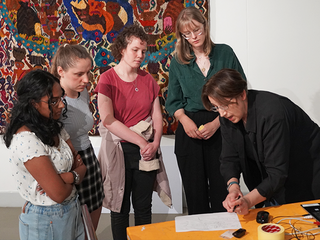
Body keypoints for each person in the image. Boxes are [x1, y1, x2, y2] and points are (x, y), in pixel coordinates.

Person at [201, 68, 320, 215]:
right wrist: (233, 188)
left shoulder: (273, 113)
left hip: (308, 175)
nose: (222, 113)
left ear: (242, 94)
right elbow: (229, 158)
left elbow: (277, 172)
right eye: (216, 107)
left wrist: (248, 201)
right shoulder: (226, 117)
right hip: (276, 182)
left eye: (224, 105)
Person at [165, 6, 246, 214]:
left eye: (197, 30)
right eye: (187, 33)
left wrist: (217, 122)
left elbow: (240, 88)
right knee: (195, 195)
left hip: (223, 124)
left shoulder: (225, 53)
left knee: (223, 191)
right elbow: (173, 102)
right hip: (190, 129)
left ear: (205, 26)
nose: (194, 37)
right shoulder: (178, 61)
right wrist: (184, 120)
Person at [95, 24, 172, 240]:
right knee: (119, 208)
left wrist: (155, 144)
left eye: (143, 51)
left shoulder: (148, 79)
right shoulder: (107, 79)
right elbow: (108, 119)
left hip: (146, 149)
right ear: (122, 49)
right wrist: (141, 142)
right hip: (120, 150)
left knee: (143, 207)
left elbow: (157, 116)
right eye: (135, 50)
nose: (140, 55)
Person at [3, 69, 87, 240]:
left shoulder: (54, 126)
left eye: (60, 99)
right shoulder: (26, 140)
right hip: (46, 218)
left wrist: (65, 177)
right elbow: (59, 193)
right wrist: (74, 176)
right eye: (54, 101)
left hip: (72, 209)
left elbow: (81, 164)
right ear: (34, 103)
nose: (62, 105)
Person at [50, 44, 104, 230]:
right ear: (61, 71)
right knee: (67, 224)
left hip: (88, 157)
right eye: (79, 74)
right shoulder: (51, 101)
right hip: (64, 163)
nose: (86, 79)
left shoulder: (83, 93)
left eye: (88, 72)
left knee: (93, 211)